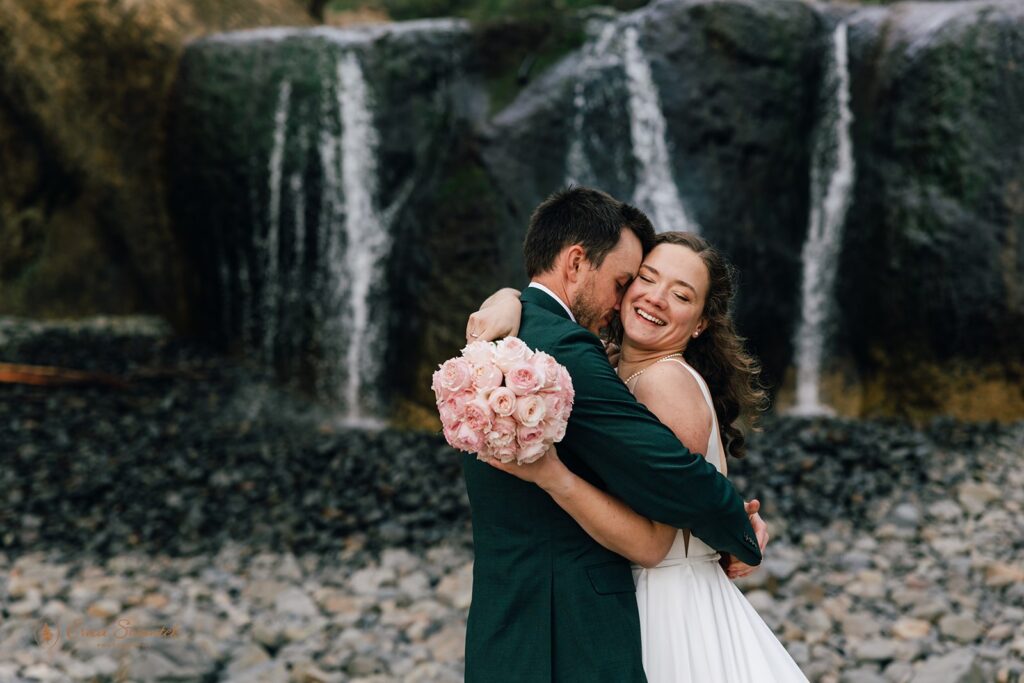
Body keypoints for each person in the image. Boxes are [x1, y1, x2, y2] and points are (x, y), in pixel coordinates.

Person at [459, 186, 767, 683]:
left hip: (517, 621)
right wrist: (738, 530)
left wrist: (508, 296)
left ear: (702, 322)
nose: (632, 298)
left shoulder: (497, 339)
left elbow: (665, 483)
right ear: (577, 262)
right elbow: (671, 475)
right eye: (632, 279)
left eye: (681, 293)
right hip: (565, 630)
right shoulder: (570, 352)